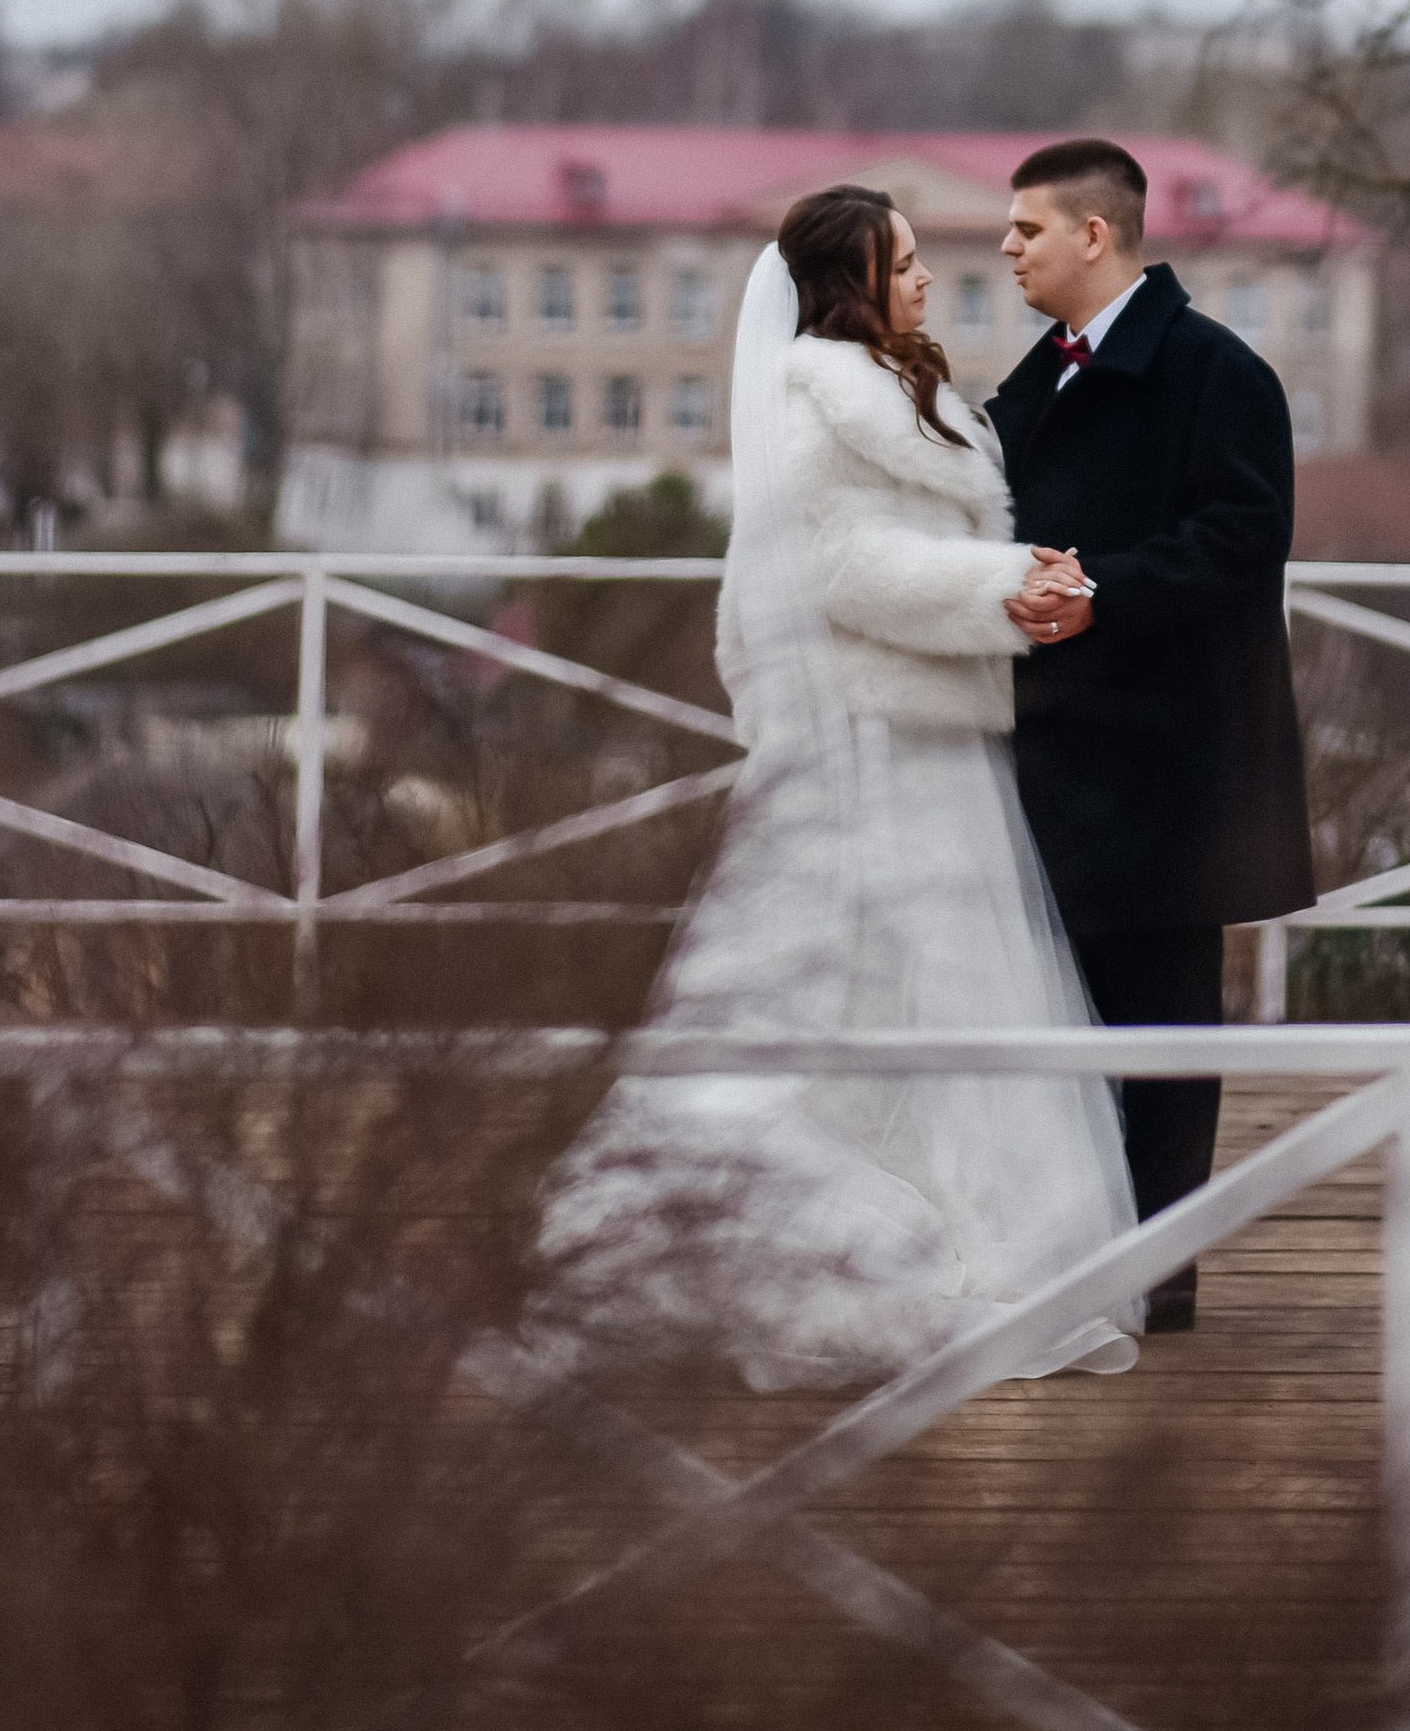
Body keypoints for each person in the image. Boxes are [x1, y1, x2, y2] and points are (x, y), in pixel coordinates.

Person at [532, 183, 1140, 1388]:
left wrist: (1017, 575)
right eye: (901, 262)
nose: (923, 277)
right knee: (894, 973)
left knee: (946, 983)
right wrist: (1003, 587)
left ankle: (1007, 1232)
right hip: (874, 736)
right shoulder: (821, 394)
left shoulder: (908, 385)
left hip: (930, 725)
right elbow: (840, 564)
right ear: (847, 283)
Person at [989, 137, 1316, 1333]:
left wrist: (1101, 590)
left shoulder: (1215, 371)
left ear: (1095, 234)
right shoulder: (1040, 379)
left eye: (1026, 228)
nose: (1007, 248)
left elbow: (1243, 541)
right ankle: (1081, 1257)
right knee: (1064, 1017)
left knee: (1163, 1028)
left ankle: (1159, 1280)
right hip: (1062, 760)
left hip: (1173, 771)